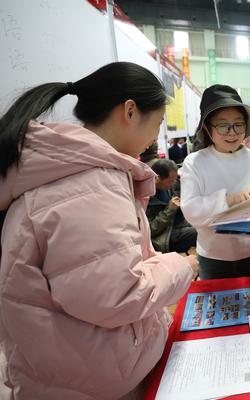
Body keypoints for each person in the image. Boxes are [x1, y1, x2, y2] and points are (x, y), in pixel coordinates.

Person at [0, 62, 198, 399]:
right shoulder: (91, 184)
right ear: (130, 111)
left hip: (67, 370)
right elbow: (118, 296)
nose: (155, 137)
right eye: (158, 122)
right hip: (89, 381)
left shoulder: (71, 170)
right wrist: (182, 265)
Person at [180, 84, 250, 279]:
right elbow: (191, 210)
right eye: (223, 126)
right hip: (214, 256)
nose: (232, 132)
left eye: (238, 125)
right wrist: (228, 199)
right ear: (207, 128)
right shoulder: (195, 162)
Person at [146, 158, 197, 253]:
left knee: (205, 226)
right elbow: (150, 230)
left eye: (174, 180)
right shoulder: (145, 197)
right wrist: (170, 210)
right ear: (157, 178)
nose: (173, 184)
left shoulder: (167, 187)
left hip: (178, 224)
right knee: (198, 233)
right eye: (170, 181)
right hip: (164, 235)